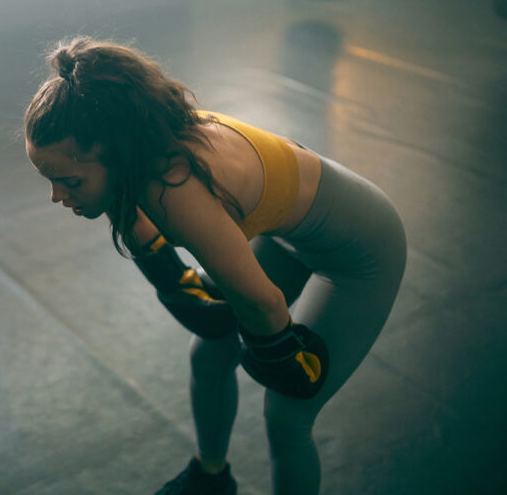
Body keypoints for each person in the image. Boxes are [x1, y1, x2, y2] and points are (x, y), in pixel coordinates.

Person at [23, 36, 407, 495]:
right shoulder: (136, 146)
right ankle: (211, 477)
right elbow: (199, 301)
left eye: (68, 181)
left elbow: (259, 304)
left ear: (113, 155)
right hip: (290, 237)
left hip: (360, 254)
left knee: (287, 415)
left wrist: (278, 352)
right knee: (209, 354)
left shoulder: (172, 190)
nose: (57, 196)